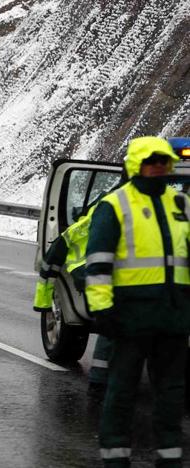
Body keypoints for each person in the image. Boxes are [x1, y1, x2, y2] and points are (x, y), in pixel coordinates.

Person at [85, 136, 190, 468]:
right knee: (121, 396)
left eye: (163, 160)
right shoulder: (115, 205)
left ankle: (170, 461)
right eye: (152, 160)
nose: (159, 166)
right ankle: (116, 460)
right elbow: (98, 262)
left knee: (172, 398)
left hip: (173, 321)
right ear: (136, 164)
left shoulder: (181, 204)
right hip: (130, 320)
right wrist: (103, 310)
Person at [34, 189, 120, 398]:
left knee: (111, 329)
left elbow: (49, 266)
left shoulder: (87, 222)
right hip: (100, 281)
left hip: (95, 281)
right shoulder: (119, 213)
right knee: (114, 330)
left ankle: (101, 383)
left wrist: (44, 303)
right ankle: (101, 383)